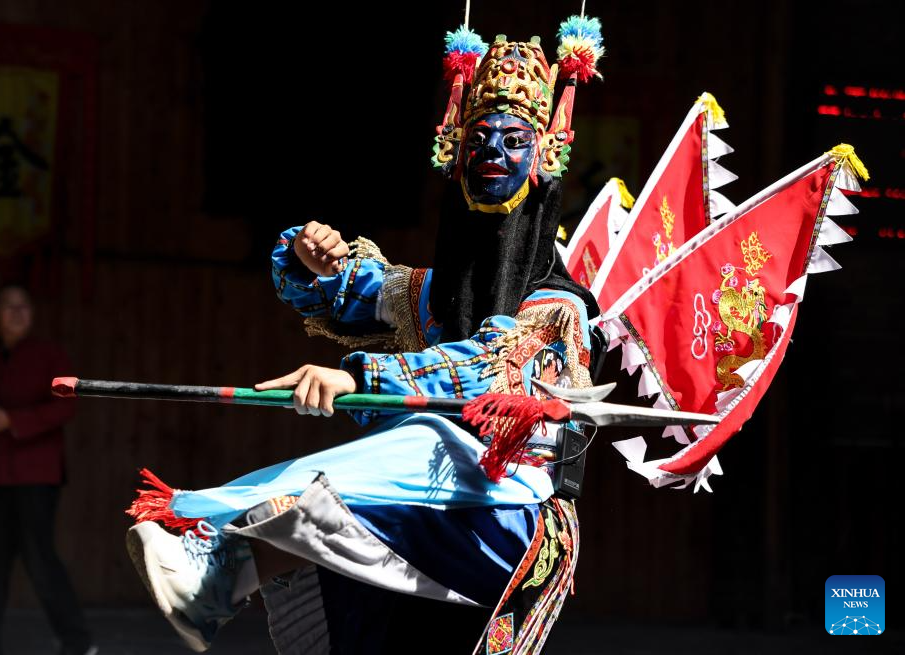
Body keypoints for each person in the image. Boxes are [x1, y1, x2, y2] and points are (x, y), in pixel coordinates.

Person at [126, 16, 606, 654]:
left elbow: (489, 369)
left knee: (424, 434)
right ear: (456, 155)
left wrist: (359, 377)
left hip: (508, 521)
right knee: (322, 513)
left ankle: (206, 526)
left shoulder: (557, 307)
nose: (492, 150)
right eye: (480, 137)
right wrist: (310, 257)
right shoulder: (433, 294)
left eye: (514, 139)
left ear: (542, 161)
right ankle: (224, 576)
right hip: (423, 515)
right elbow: (357, 290)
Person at [0, 283, 96, 655]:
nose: (17, 313)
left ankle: (77, 643)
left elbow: (65, 407)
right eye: (8, 307)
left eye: (24, 306)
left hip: (37, 474)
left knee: (40, 558)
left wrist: (11, 420)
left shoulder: (49, 356)